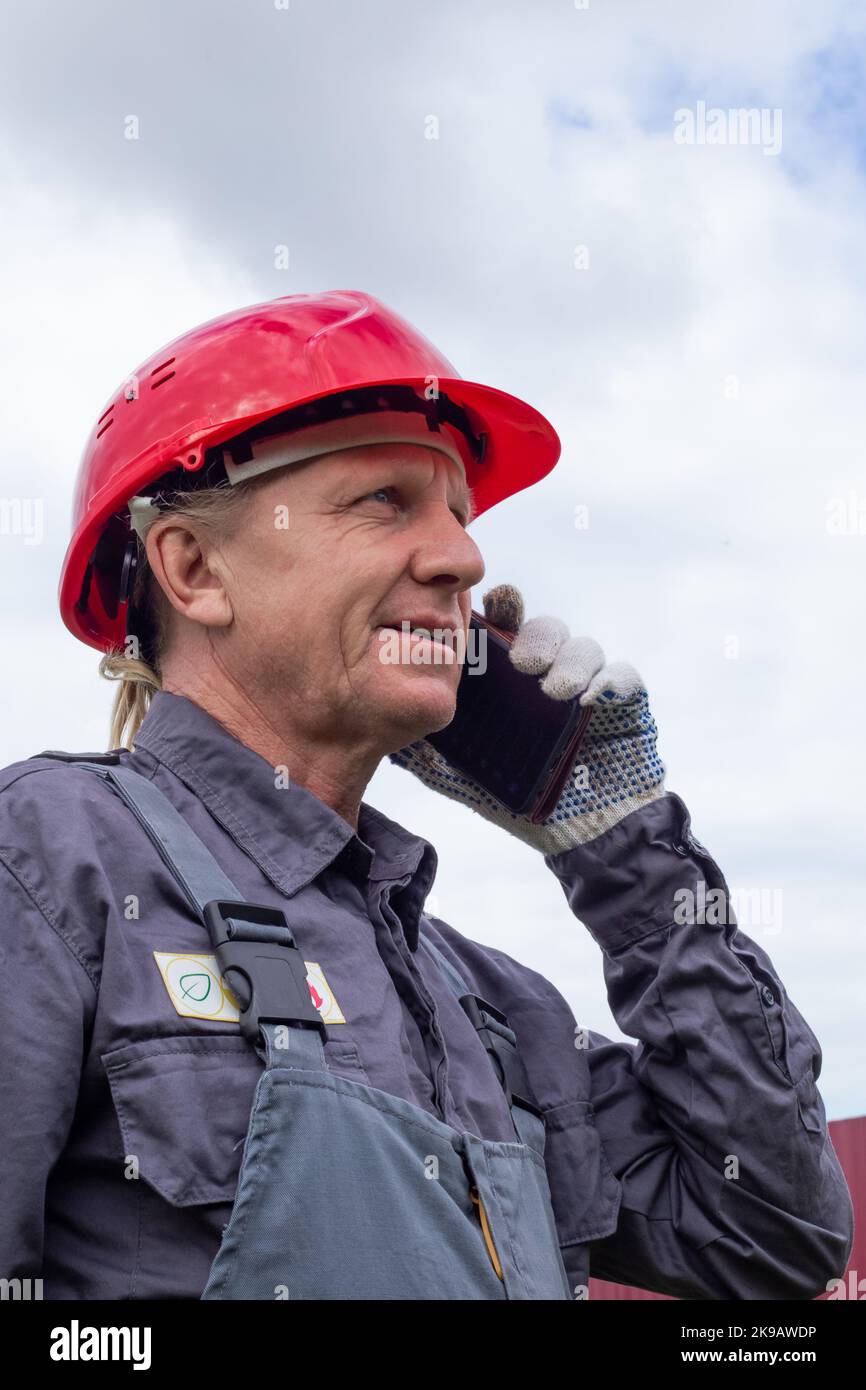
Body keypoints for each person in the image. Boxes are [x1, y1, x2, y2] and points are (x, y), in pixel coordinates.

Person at [0, 291, 853, 1300]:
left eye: (456, 509)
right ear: (193, 569)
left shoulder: (490, 1006)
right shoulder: (49, 862)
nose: (462, 557)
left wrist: (618, 837)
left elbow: (771, 1230)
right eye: (385, 500)